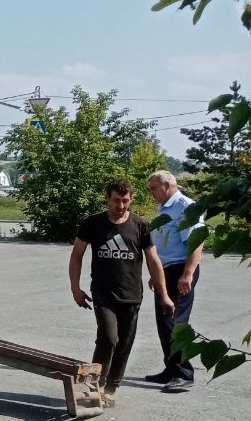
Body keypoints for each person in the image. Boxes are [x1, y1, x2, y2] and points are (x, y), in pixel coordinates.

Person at [69, 178, 174, 407]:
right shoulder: (93, 224)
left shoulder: (141, 225)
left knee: (124, 343)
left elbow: (153, 261)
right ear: (107, 199)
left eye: (125, 201)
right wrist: (75, 289)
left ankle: (110, 388)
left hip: (132, 295)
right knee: (108, 338)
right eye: (116, 201)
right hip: (103, 293)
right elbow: (76, 255)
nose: (120, 206)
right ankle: (92, 387)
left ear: (131, 200)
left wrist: (164, 294)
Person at [145, 170, 204, 392]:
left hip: (181, 270)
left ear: (168, 185)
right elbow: (163, 246)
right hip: (165, 270)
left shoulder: (185, 207)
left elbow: (196, 243)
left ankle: (184, 373)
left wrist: (188, 273)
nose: (151, 193)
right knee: (164, 322)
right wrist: (156, 273)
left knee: (175, 323)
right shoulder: (165, 207)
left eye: (153, 188)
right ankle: (170, 369)